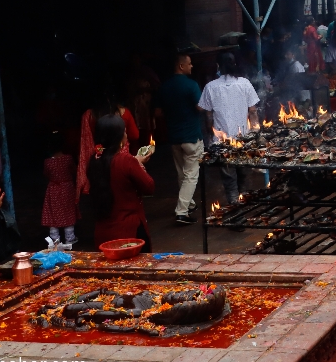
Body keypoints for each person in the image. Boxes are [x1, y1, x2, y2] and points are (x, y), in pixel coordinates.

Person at [199, 52, 260, 205]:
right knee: (244, 177)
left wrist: (209, 139)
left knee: (229, 180)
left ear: (218, 66)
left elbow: (208, 117)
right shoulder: (245, 83)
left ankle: (236, 211)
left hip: (222, 143)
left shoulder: (210, 87)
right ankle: (244, 208)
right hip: (244, 141)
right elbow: (253, 111)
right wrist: (255, 134)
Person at [89, 112, 155, 249]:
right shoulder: (126, 160)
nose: (126, 135)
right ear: (118, 137)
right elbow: (149, 186)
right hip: (129, 235)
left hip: (103, 237)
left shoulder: (94, 160)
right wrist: (138, 165)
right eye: (124, 132)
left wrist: (135, 163)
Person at [154, 52, 204, 225]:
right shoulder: (191, 85)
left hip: (174, 136)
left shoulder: (164, 87)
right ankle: (181, 212)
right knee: (191, 175)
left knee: (181, 173)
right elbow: (199, 107)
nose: (192, 66)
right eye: (189, 64)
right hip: (191, 136)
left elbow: (158, 113)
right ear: (181, 66)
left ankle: (188, 204)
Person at [41, 136, 78, 247]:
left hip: (53, 189)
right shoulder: (68, 159)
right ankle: (70, 238)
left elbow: (46, 174)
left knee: (53, 214)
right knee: (68, 212)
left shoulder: (47, 162)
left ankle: (54, 241)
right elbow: (74, 171)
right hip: (67, 188)